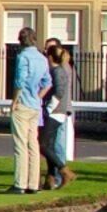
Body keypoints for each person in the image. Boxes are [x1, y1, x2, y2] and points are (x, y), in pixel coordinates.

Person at [7, 26, 47, 194]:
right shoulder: (42, 58)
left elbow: (19, 81)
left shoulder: (23, 57)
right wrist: (38, 97)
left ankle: (20, 183)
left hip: (23, 104)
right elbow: (47, 82)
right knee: (33, 145)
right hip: (35, 105)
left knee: (20, 144)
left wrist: (14, 101)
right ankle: (33, 183)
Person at [41, 37, 78, 189]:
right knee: (48, 144)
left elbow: (60, 91)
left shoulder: (59, 70)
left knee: (43, 144)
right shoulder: (56, 70)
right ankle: (50, 178)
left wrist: (50, 107)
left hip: (56, 112)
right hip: (56, 111)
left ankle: (64, 171)